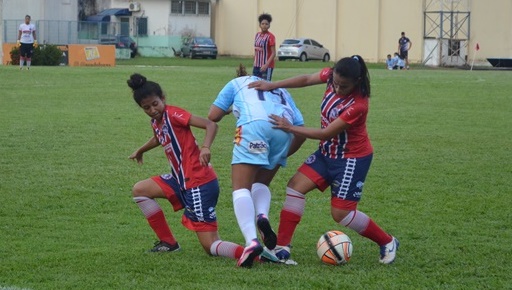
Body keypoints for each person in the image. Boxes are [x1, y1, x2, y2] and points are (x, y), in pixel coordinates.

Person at [248, 55, 399, 265]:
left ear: (357, 81)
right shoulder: (331, 75)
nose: (337, 88)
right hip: (326, 153)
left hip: (351, 159)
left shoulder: (359, 105)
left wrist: (289, 127)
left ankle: (388, 241)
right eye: (335, 83)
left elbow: (326, 133)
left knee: (341, 214)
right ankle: (281, 248)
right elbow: (306, 79)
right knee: (295, 187)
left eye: (343, 86)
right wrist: (272, 84)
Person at [126, 73, 246, 261]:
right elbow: (159, 137)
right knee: (140, 190)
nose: (152, 110)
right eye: (146, 108)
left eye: (155, 104)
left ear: (163, 98)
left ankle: (253, 254)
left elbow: (210, 125)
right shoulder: (156, 121)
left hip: (199, 183)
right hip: (180, 180)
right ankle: (169, 243)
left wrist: (205, 147)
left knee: (210, 246)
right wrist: (141, 150)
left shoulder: (173, 114)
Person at [208, 65, 305, 268]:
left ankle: (251, 241)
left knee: (241, 188)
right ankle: (262, 216)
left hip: (254, 126)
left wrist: (229, 108)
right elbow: (301, 129)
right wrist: (283, 153)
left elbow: (213, 115)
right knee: (260, 184)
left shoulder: (236, 83)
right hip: (283, 131)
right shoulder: (282, 90)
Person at [253, 13, 276, 81]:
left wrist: (266, 65)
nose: (264, 26)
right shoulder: (257, 35)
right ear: (260, 25)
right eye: (262, 24)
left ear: (269, 25)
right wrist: (254, 61)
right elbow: (256, 50)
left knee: (265, 85)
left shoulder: (270, 36)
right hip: (256, 65)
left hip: (266, 66)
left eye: (266, 24)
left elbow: (273, 53)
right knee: (255, 84)